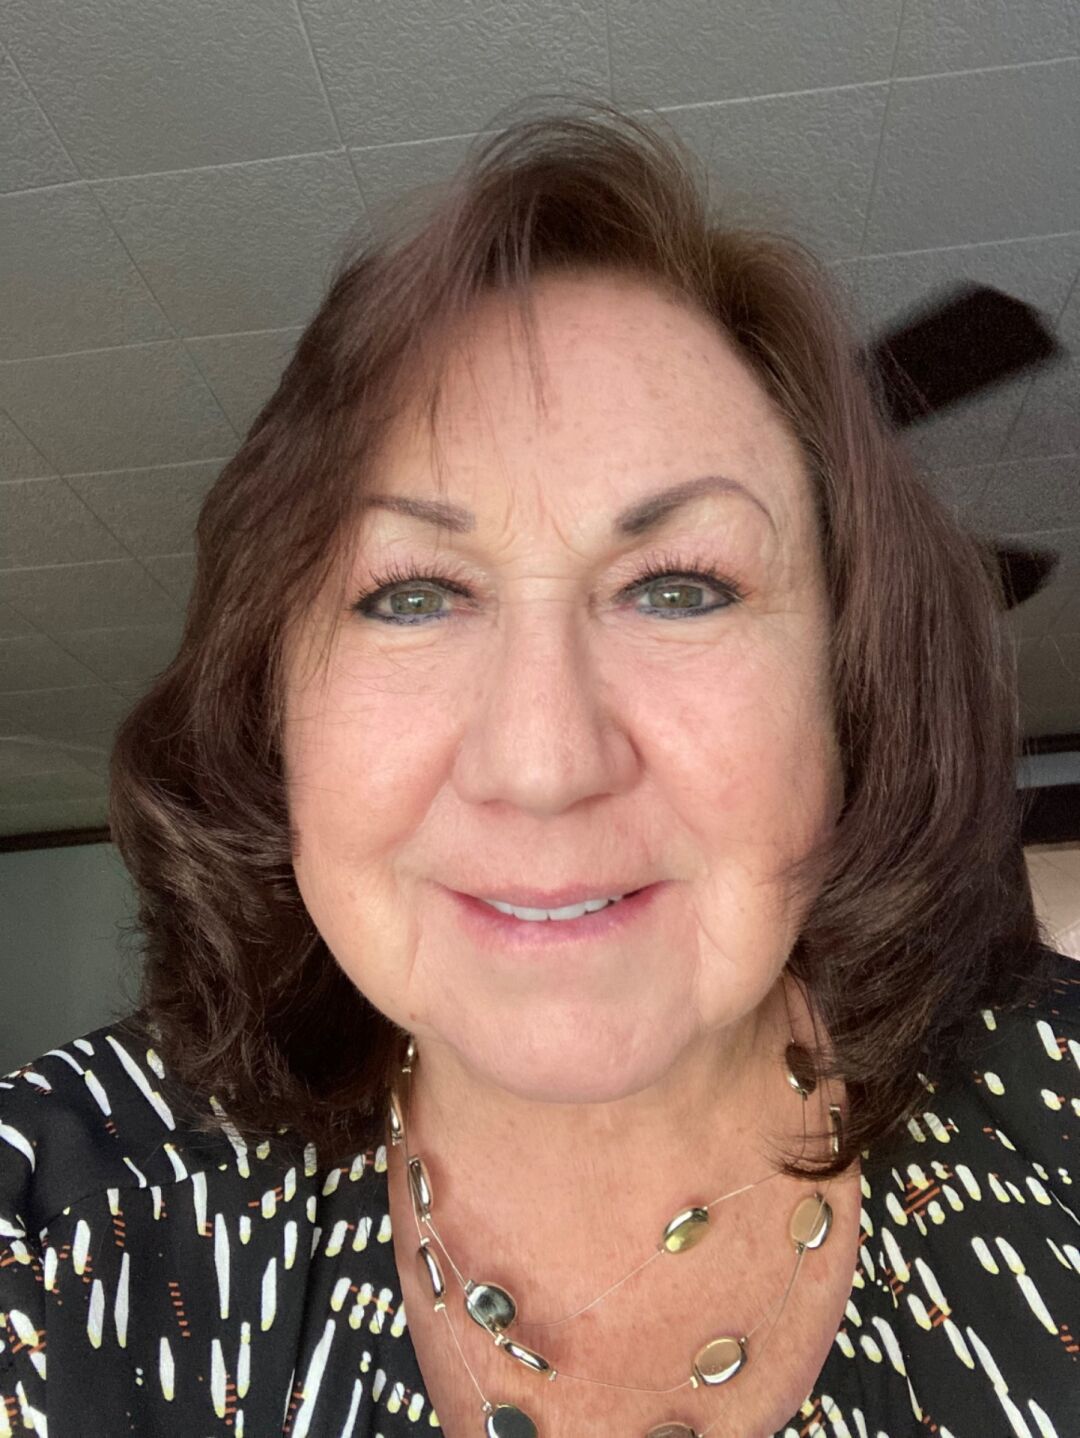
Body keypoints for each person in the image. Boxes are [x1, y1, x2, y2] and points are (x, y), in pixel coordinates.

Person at [1, 101, 1076, 1438]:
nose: (545, 761)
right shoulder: (59, 1230)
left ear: (846, 701)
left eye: (680, 587)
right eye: (411, 595)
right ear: (271, 714)